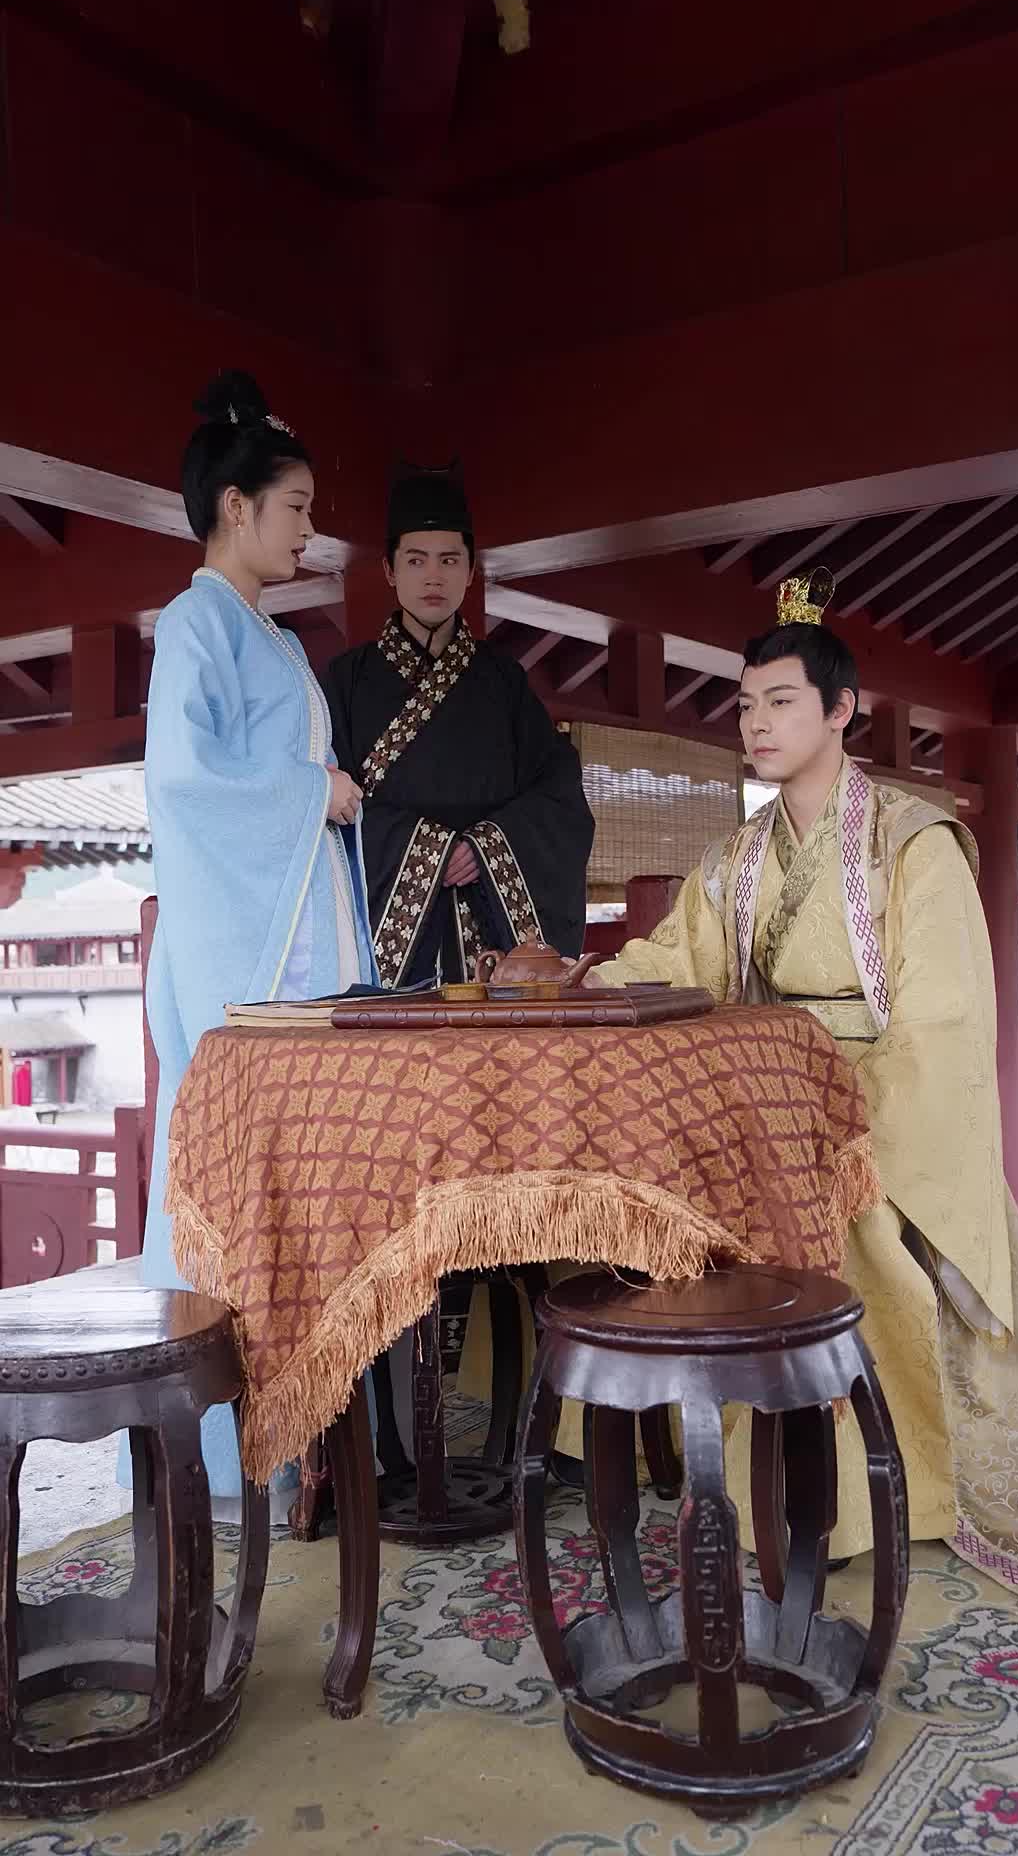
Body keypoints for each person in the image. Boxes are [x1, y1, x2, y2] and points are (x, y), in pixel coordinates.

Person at [590, 568, 1018, 1622]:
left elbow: (941, 1020)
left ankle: (871, 1494)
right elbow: (679, 962)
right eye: (745, 705)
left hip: (869, 1109)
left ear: (840, 710)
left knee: (839, 1217)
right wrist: (588, 982)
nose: (757, 724)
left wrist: (842, 1116)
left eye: (781, 702)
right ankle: (731, 1468)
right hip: (762, 1100)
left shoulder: (913, 843)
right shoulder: (737, 857)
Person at [136, 369, 377, 1522]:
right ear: (236, 507)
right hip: (246, 960)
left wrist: (317, 792)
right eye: (296, 506)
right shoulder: (196, 625)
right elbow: (186, 783)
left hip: (294, 944)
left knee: (301, 1203)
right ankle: (231, 1460)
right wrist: (310, 792)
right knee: (239, 1195)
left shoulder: (269, 637)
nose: (309, 529)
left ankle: (301, 1444)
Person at [322, 461, 594, 988]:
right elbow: (327, 805)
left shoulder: (504, 681)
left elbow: (559, 797)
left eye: (449, 560)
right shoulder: (345, 681)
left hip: (489, 933)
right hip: (388, 934)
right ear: (389, 570)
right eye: (416, 560)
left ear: (471, 571)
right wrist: (427, 854)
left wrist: (486, 849)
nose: (433, 577)